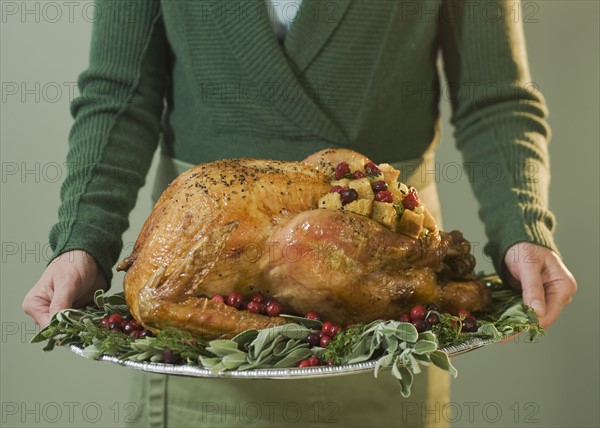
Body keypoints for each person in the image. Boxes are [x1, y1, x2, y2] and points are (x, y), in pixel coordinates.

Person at [23, 0, 577, 426]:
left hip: (388, 301)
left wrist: (523, 229)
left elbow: (494, 96)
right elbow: (120, 93)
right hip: (206, 289)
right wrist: (83, 241)